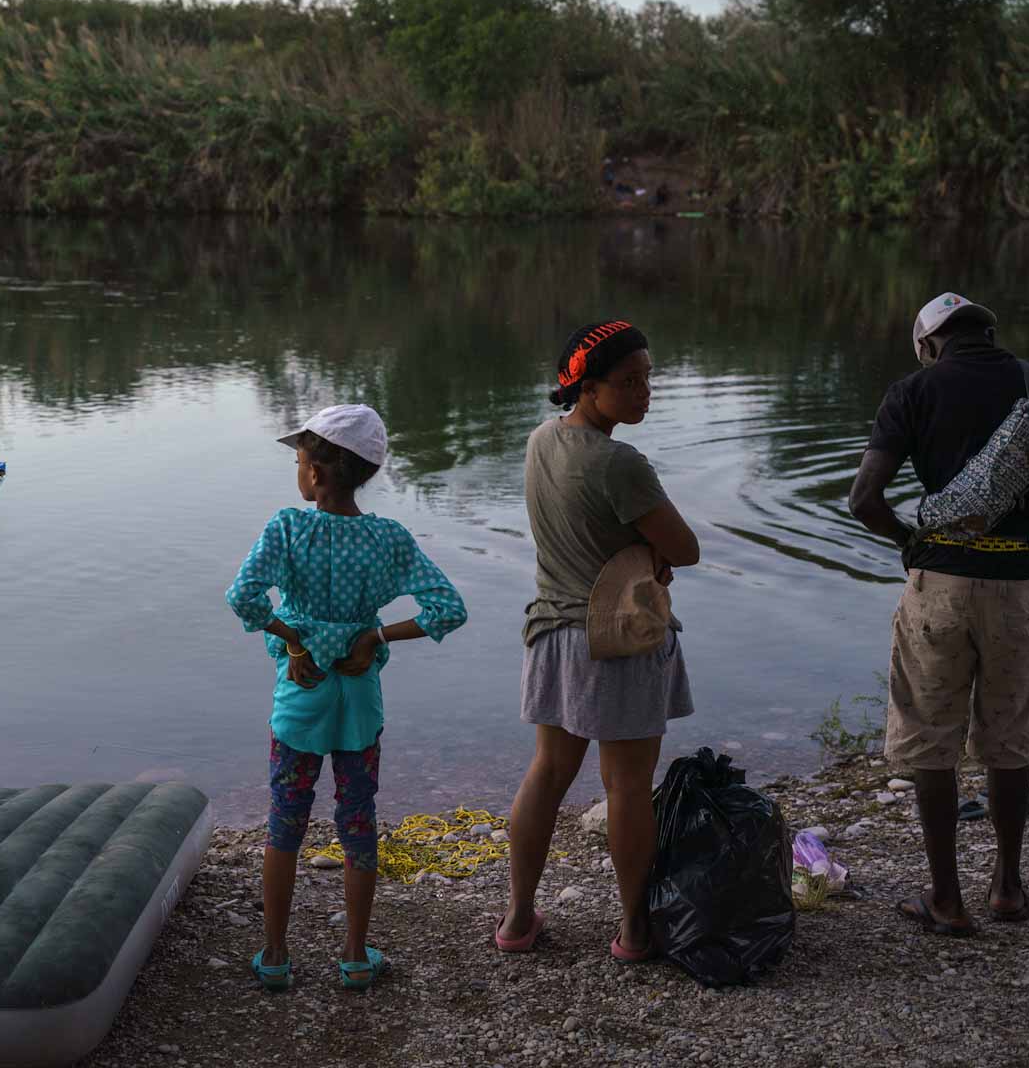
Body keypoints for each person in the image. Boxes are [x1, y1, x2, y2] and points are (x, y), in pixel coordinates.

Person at [849, 292, 1029, 936]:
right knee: (1008, 741)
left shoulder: (912, 392)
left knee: (931, 739)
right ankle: (1007, 890)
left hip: (938, 589)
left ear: (929, 345)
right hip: (1018, 590)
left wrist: (910, 542)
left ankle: (946, 900)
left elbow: (864, 500)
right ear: (988, 333)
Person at [226, 404, 467, 991]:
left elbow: (244, 599)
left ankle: (277, 955)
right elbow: (448, 609)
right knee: (358, 822)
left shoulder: (289, 527)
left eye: (300, 458)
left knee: (286, 823)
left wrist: (294, 641)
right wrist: (377, 633)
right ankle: (356, 956)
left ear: (313, 472)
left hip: (300, 699)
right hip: (360, 703)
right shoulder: (387, 537)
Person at [496, 321, 700, 963]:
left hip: (552, 635)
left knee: (548, 773)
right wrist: (652, 555)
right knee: (628, 785)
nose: (644, 392)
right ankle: (636, 932)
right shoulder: (619, 463)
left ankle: (518, 918)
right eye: (629, 381)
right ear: (585, 387)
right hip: (617, 641)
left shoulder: (538, 442)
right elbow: (687, 550)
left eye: (648, 378)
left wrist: (639, 549)